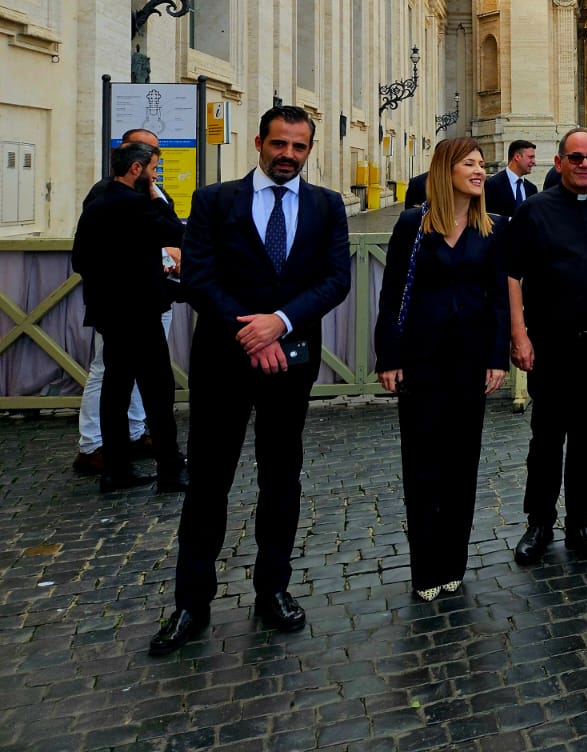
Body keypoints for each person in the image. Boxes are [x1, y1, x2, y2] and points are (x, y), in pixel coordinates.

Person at [150, 106, 351, 657]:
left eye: (300, 147)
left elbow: (336, 280)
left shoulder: (326, 206)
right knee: (209, 483)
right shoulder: (215, 201)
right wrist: (251, 331)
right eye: (279, 144)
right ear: (259, 142)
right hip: (224, 359)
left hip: (292, 360)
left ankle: (273, 590)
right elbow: (199, 275)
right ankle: (191, 602)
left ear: (310, 151)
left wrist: (279, 324)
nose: (288, 154)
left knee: (281, 477)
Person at [375, 137, 509, 600]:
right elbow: (392, 294)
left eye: (482, 164)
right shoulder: (413, 225)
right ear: (445, 169)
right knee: (422, 464)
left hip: (471, 363)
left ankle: (453, 561)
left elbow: (497, 300)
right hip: (420, 360)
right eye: (470, 163)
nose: (479, 171)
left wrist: (497, 357)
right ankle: (425, 567)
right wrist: (388, 355)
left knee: (462, 465)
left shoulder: (490, 228)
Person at [506, 128, 587, 566]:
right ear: (558, 163)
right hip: (551, 344)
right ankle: (539, 521)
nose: (585, 165)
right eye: (575, 158)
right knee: (547, 436)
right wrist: (518, 334)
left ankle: (581, 521)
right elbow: (512, 276)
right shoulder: (534, 210)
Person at [72, 141, 187, 494]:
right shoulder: (137, 205)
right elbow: (175, 231)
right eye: (153, 170)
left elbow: (80, 260)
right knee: (158, 391)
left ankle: (116, 470)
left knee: (115, 389)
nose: (155, 177)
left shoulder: (97, 202)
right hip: (140, 310)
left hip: (108, 312)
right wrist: (156, 196)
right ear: (136, 169)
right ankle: (170, 470)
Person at [487, 140, 537, 215]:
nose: (534, 162)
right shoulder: (492, 184)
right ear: (517, 157)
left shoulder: (532, 189)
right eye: (530, 157)